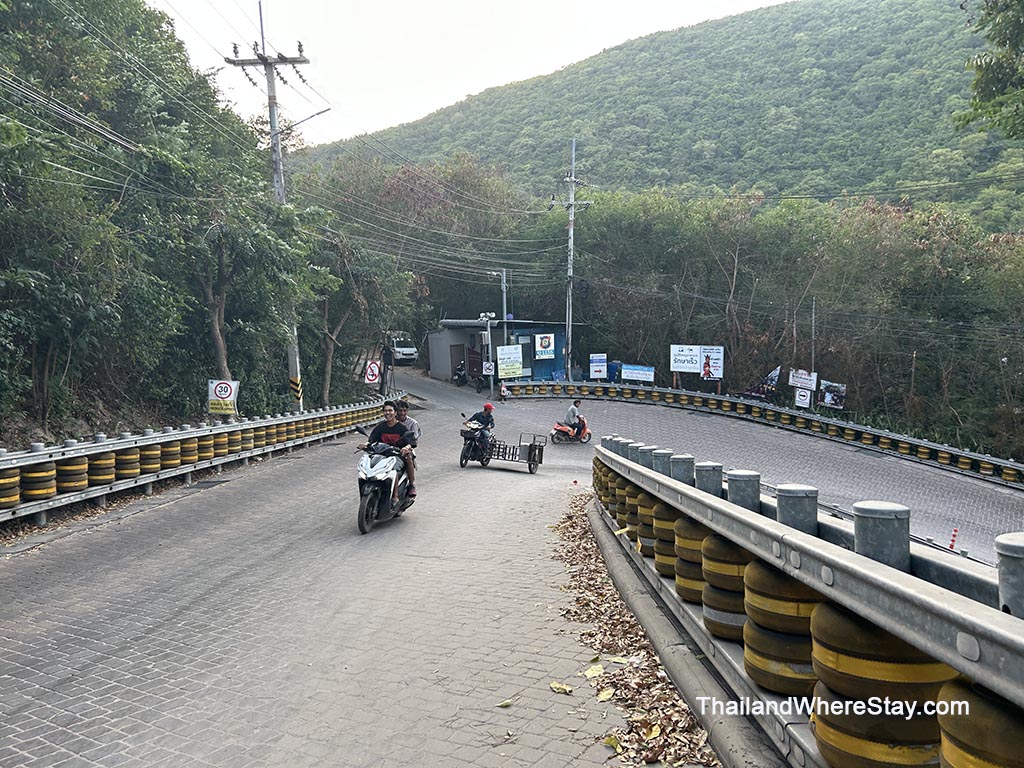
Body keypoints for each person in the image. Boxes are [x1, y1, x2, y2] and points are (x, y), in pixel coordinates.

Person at [360, 401, 417, 507]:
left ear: (395, 413)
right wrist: (365, 445)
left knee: (392, 469)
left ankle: (397, 495)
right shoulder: (380, 427)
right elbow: (372, 440)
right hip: (381, 455)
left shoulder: (402, 428)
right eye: (385, 411)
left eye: (390, 410)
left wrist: (406, 447)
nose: (387, 413)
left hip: (397, 455)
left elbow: (411, 442)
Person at [394, 400, 419, 497]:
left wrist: (407, 447)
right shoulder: (391, 421)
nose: (402, 413)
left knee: (408, 458)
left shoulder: (413, 423)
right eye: (400, 410)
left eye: (405, 410)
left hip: (408, 448)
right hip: (391, 448)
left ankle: (412, 485)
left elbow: (414, 440)